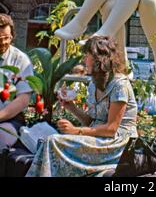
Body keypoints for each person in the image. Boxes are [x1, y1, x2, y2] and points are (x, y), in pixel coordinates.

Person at [26, 35, 138, 177]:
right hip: (100, 140)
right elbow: (91, 122)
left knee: (53, 141)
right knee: (47, 141)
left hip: (118, 145)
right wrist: (71, 107)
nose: (84, 60)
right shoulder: (93, 84)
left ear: (99, 59)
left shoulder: (120, 85)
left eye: (87, 56)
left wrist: (75, 130)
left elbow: (111, 129)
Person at [0, 14, 34, 150]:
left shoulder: (21, 60)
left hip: (10, 120)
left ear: (12, 36)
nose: (2, 42)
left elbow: (23, 100)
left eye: (6, 38)